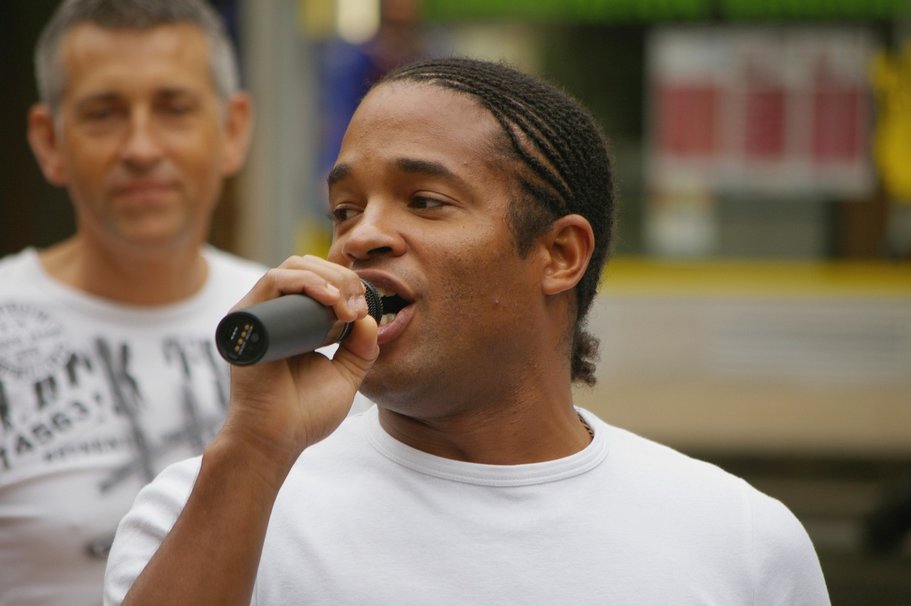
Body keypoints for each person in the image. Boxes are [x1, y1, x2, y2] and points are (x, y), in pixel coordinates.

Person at [103, 57, 831, 605]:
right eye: (346, 209)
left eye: (424, 200)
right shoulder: (209, 507)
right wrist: (255, 448)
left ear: (558, 255)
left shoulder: (737, 540)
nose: (361, 237)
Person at [0, 1, 265, 604]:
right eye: (104, 113)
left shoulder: (302, 322)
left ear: (232, 129)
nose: (141, 147)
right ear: (49, 141)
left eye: (174, 109)